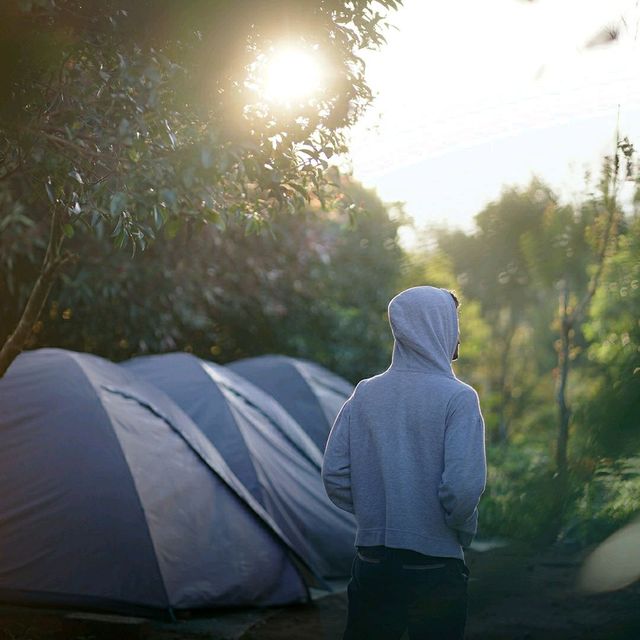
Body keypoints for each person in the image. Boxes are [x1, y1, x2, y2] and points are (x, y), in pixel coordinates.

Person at [322, 285, 486, 640]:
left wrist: (376, 512)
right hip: (434, 565)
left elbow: (334, 474)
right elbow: (462, 489)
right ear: (436, 326)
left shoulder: (365, 392)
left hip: (372, 563)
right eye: (453, 322)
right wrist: (458, 530)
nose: (458, 334)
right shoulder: (458, 398)